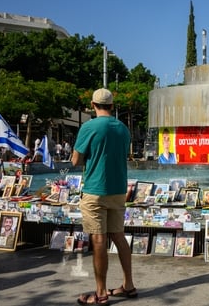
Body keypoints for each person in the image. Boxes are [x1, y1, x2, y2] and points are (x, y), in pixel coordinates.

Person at [72, 88, 137, 305]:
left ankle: (100, 293)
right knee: (119, 236)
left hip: (95, 190)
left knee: (99, 239)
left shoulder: (89, 127)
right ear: (112, 105)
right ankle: (128, 285)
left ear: (93, 105)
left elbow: (75, 161)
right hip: (118, 190)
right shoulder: (123, 128)